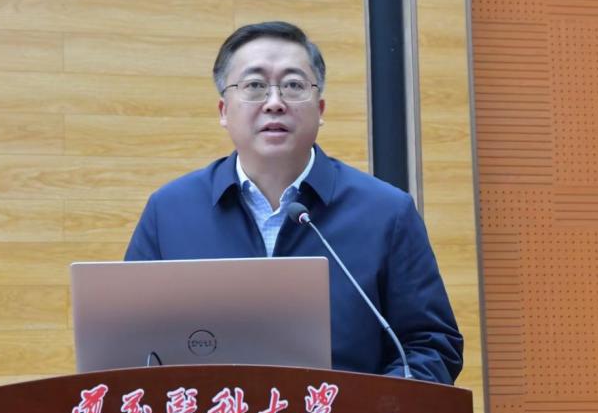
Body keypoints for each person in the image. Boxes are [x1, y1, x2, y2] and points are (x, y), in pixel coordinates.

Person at [125, 21, 462, 384]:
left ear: (320, 108)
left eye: (294, 85)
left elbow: (430, 345)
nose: (274, 103)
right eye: (254, 86)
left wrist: (374, 409)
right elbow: (128, 345)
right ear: (223, 110)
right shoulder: (169, 212)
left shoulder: (386, 213)